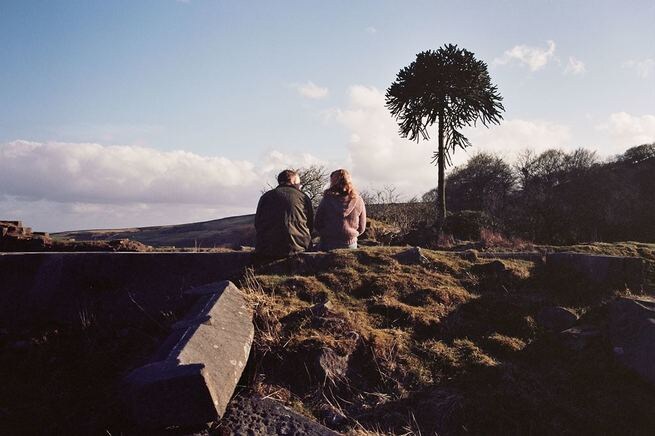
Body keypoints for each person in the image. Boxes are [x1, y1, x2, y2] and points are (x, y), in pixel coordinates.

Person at [254, 169, 314, 258]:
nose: (299, 185)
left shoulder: (266, 197)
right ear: (293, 181)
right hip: (299, 247)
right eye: (298, 183)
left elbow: (257, 223)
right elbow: (310, 224)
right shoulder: (303, 197)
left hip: (267, 247)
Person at [314, 169, 366, 250]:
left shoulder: (327, 199)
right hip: (350, 244)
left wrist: (326, 233)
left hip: (328, 243)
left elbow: (317, 223)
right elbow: (362, 227)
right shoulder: (359, 200)